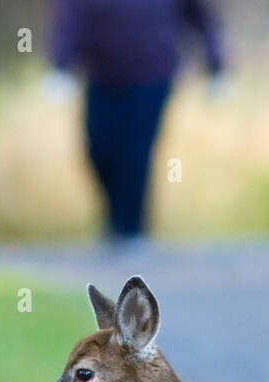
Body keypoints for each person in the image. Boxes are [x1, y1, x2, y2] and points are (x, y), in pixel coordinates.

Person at [48, 0, 225, 242]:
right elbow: (71, 15)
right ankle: (117, 220)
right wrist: (61, 65)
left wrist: (216, 63)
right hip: (102, 77)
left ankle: (130, 230)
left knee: (136, 153)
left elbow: (201, 16)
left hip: (153, 75)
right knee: (98, 148)